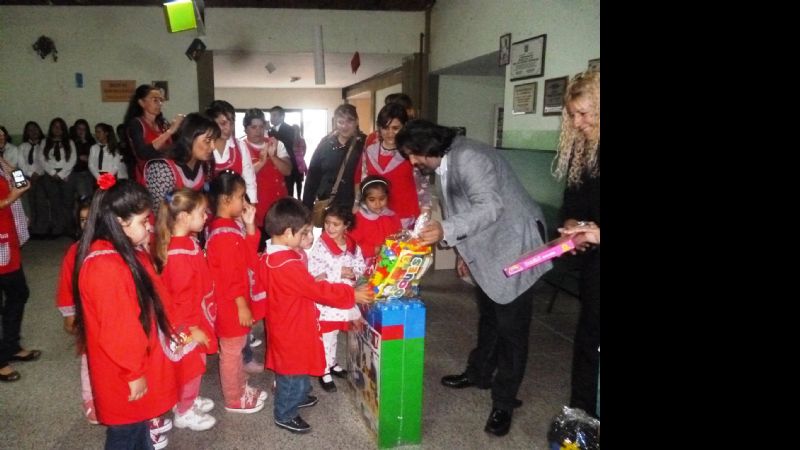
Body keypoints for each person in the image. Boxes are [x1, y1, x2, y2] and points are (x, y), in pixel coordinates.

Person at [395, 119, 550, 437]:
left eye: (413, 154)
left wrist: (445, 231)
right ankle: (479, 373)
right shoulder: (446, 162)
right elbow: (462, 210)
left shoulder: (470, 158)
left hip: (517, 247)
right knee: (490, 315)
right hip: (491, 246)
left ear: (428, 145)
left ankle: (504, 401)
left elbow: (490, 206)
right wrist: (466, 255)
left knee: (512, 329)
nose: (412, 162)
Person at [70, 178, 177, 449]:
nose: (150, 226)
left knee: (137, 425)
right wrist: (133, 373)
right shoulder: (106, 267)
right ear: (119, 222)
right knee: (125, 433)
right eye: (143, 220)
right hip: (122, 372)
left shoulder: (122, 253)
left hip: (132, 363)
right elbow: (119, 329)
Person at [260, 197, 373, 433]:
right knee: (292, 371)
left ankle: (299, 395)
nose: (307, 238)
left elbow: (300, 286)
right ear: (289, 233)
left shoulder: (272, 255)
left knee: (298, 365)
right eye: (304, 233)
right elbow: (318, 291)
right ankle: (285, 413)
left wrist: (309, 282)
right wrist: (351, 294)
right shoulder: (286, 264)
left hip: (289, 321)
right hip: (292, 326)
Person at [552, 69, 601, 419]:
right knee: (589, 337)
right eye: (573, 115)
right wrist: (573, 225)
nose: (578, 122)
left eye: (585, 113)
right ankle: (583, 417)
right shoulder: (582, 149)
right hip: (595, 263)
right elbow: (574, 203)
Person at [155, 188, 217, 431]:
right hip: (186, 324)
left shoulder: (187, 242)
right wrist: (191, 330)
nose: (207, 216)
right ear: (183, 217)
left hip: (194, 315)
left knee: (192, 365)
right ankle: (184, 411)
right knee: (191, 367)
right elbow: (178, 301)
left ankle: (186, 399)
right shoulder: (178, 254)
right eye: (202, 212)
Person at [205, 170, 267, 413]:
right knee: (231, 351)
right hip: (231, 303)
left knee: (237, 345)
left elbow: (248, 256)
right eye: (241, 197)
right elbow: (230, 275)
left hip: (235, 300)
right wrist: (241, 304)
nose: (245, 202)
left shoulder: (230, 226)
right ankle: (233, 398)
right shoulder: (223, 234)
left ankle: (240, 385)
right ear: (225, 199)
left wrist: (250, 225)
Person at [307, 204, 366, 392]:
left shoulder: (352, 244)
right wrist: (338, 271)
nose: (330, 228)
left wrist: (353, 274)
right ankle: (323, 370)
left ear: (346, 225)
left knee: (333, 334)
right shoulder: (321, 245)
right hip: (327, 298)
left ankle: (331, 363)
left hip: (345, 296)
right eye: (327, 223)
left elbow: (360, 265)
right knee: (326, 334)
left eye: (336, 224)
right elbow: (315, 270)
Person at [353, 103, 429, 228]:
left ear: (404, 127)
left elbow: (423, 188)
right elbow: (364, 182)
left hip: (407, 218)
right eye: (385, 128)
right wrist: (356, 206)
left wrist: (425, 217)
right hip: (377, 217)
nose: (390, 133)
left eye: (395, 128)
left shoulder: (412, 153)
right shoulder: (370, 150)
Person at [55, 198, 96, 422]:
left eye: (92, 219)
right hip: (85, 316)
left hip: (107, 318)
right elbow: (66, 286)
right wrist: (69, 314)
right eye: (82, 220)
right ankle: (90, 400)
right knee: (87, 360)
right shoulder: (75, 251)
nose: (87, 225)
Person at [0, 164, 38, 383]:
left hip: (8, 237)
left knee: (18, 293)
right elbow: (15, 193)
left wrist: (6, 162)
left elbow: (22, 182)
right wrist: (9, 199)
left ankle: (11, 345)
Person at [144, 113, 218, 209]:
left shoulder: (205, 165)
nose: (213, 147)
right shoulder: (162, 169)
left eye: (214, 140)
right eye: (207, 141)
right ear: (189, 138)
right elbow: (160, 213)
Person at [302, 104, 365, 214]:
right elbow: (313, 175)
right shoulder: (326, 143)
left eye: (349, 121)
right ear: (335, 123)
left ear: (357, 121)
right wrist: (307, 206)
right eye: (340, 122)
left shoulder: (364, 144)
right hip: (328, 204)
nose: (344, 126)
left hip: (354, 206)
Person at [239, 108, 290, 231]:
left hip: (279, 208)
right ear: (245, 129)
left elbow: (287, 170)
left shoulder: (276, 144)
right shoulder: (240, 147)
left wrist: (272, 156)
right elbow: (242, 178)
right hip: (255, 210)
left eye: (261, 127)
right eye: (253, 127)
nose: (258, 131)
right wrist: (262, 162)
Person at [124, 84, 185, 185]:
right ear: (142, 103)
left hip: (170, 174)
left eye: (161, 100)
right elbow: (143, 153)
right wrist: (169, 131)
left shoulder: (162, 123)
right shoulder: (136, 124)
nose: (160, 103)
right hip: (150, 178)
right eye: (155, 100)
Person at [206, 101, 258, 205]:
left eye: (232, 123)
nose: (229, 128)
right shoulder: (203, 147)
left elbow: (249, 181)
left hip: (235, 210)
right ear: (211, 122)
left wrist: (251, 205)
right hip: (207, 211)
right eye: (223, 123)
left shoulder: (240, 147)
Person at [349, 175, 402, 263]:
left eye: (382, 198)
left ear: (387, 197)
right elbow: (352, 245)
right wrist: (375, 250)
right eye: (372, 200)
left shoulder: (392, 216)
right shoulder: (358, 218)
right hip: (365, 264)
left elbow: (399, 237)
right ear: (364, 200)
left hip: (390, 262)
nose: (377, 204)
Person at [269, 106, 301, 198]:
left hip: (287, 163)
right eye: (271, 116)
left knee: (288, 191)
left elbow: (284, 142)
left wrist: (271, 131)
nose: (271, 118)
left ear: (282, 117)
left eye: (274, 115)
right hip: (274, 164)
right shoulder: (270, 130)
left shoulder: (289, 129)